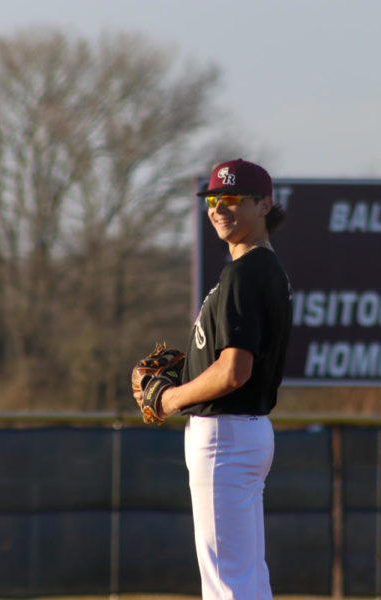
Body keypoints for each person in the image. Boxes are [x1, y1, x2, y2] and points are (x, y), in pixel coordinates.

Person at [141, 158, 292, 599]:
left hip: (224, 434)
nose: (218, 209)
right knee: (244, 577)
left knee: (228, 584)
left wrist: (170, 399)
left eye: (231, 199)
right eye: (212, 199)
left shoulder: (244, 272)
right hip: (242, 432)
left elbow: (233, 371)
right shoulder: (265, 268)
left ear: (263, 205)